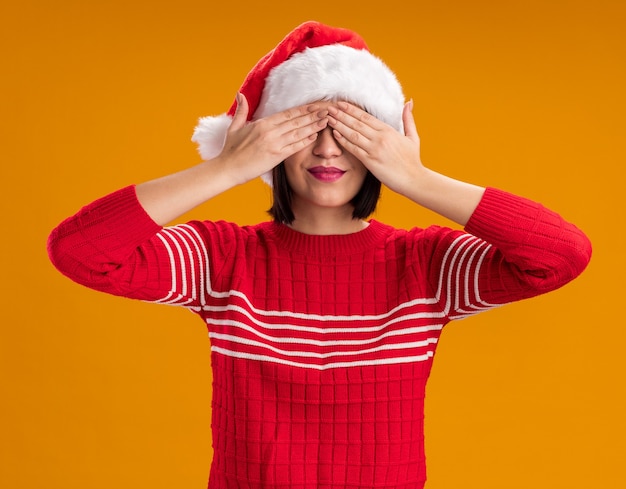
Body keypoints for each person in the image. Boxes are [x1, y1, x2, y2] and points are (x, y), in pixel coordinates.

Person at [47, 21, 592, 489]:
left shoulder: (425, 265)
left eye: (350, 130)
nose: (328, 149)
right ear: (271, 142)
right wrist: (224, 169)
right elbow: (79, 252)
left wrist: (416, 178)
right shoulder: (223, 257)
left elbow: (561, 255)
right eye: (306, 128)